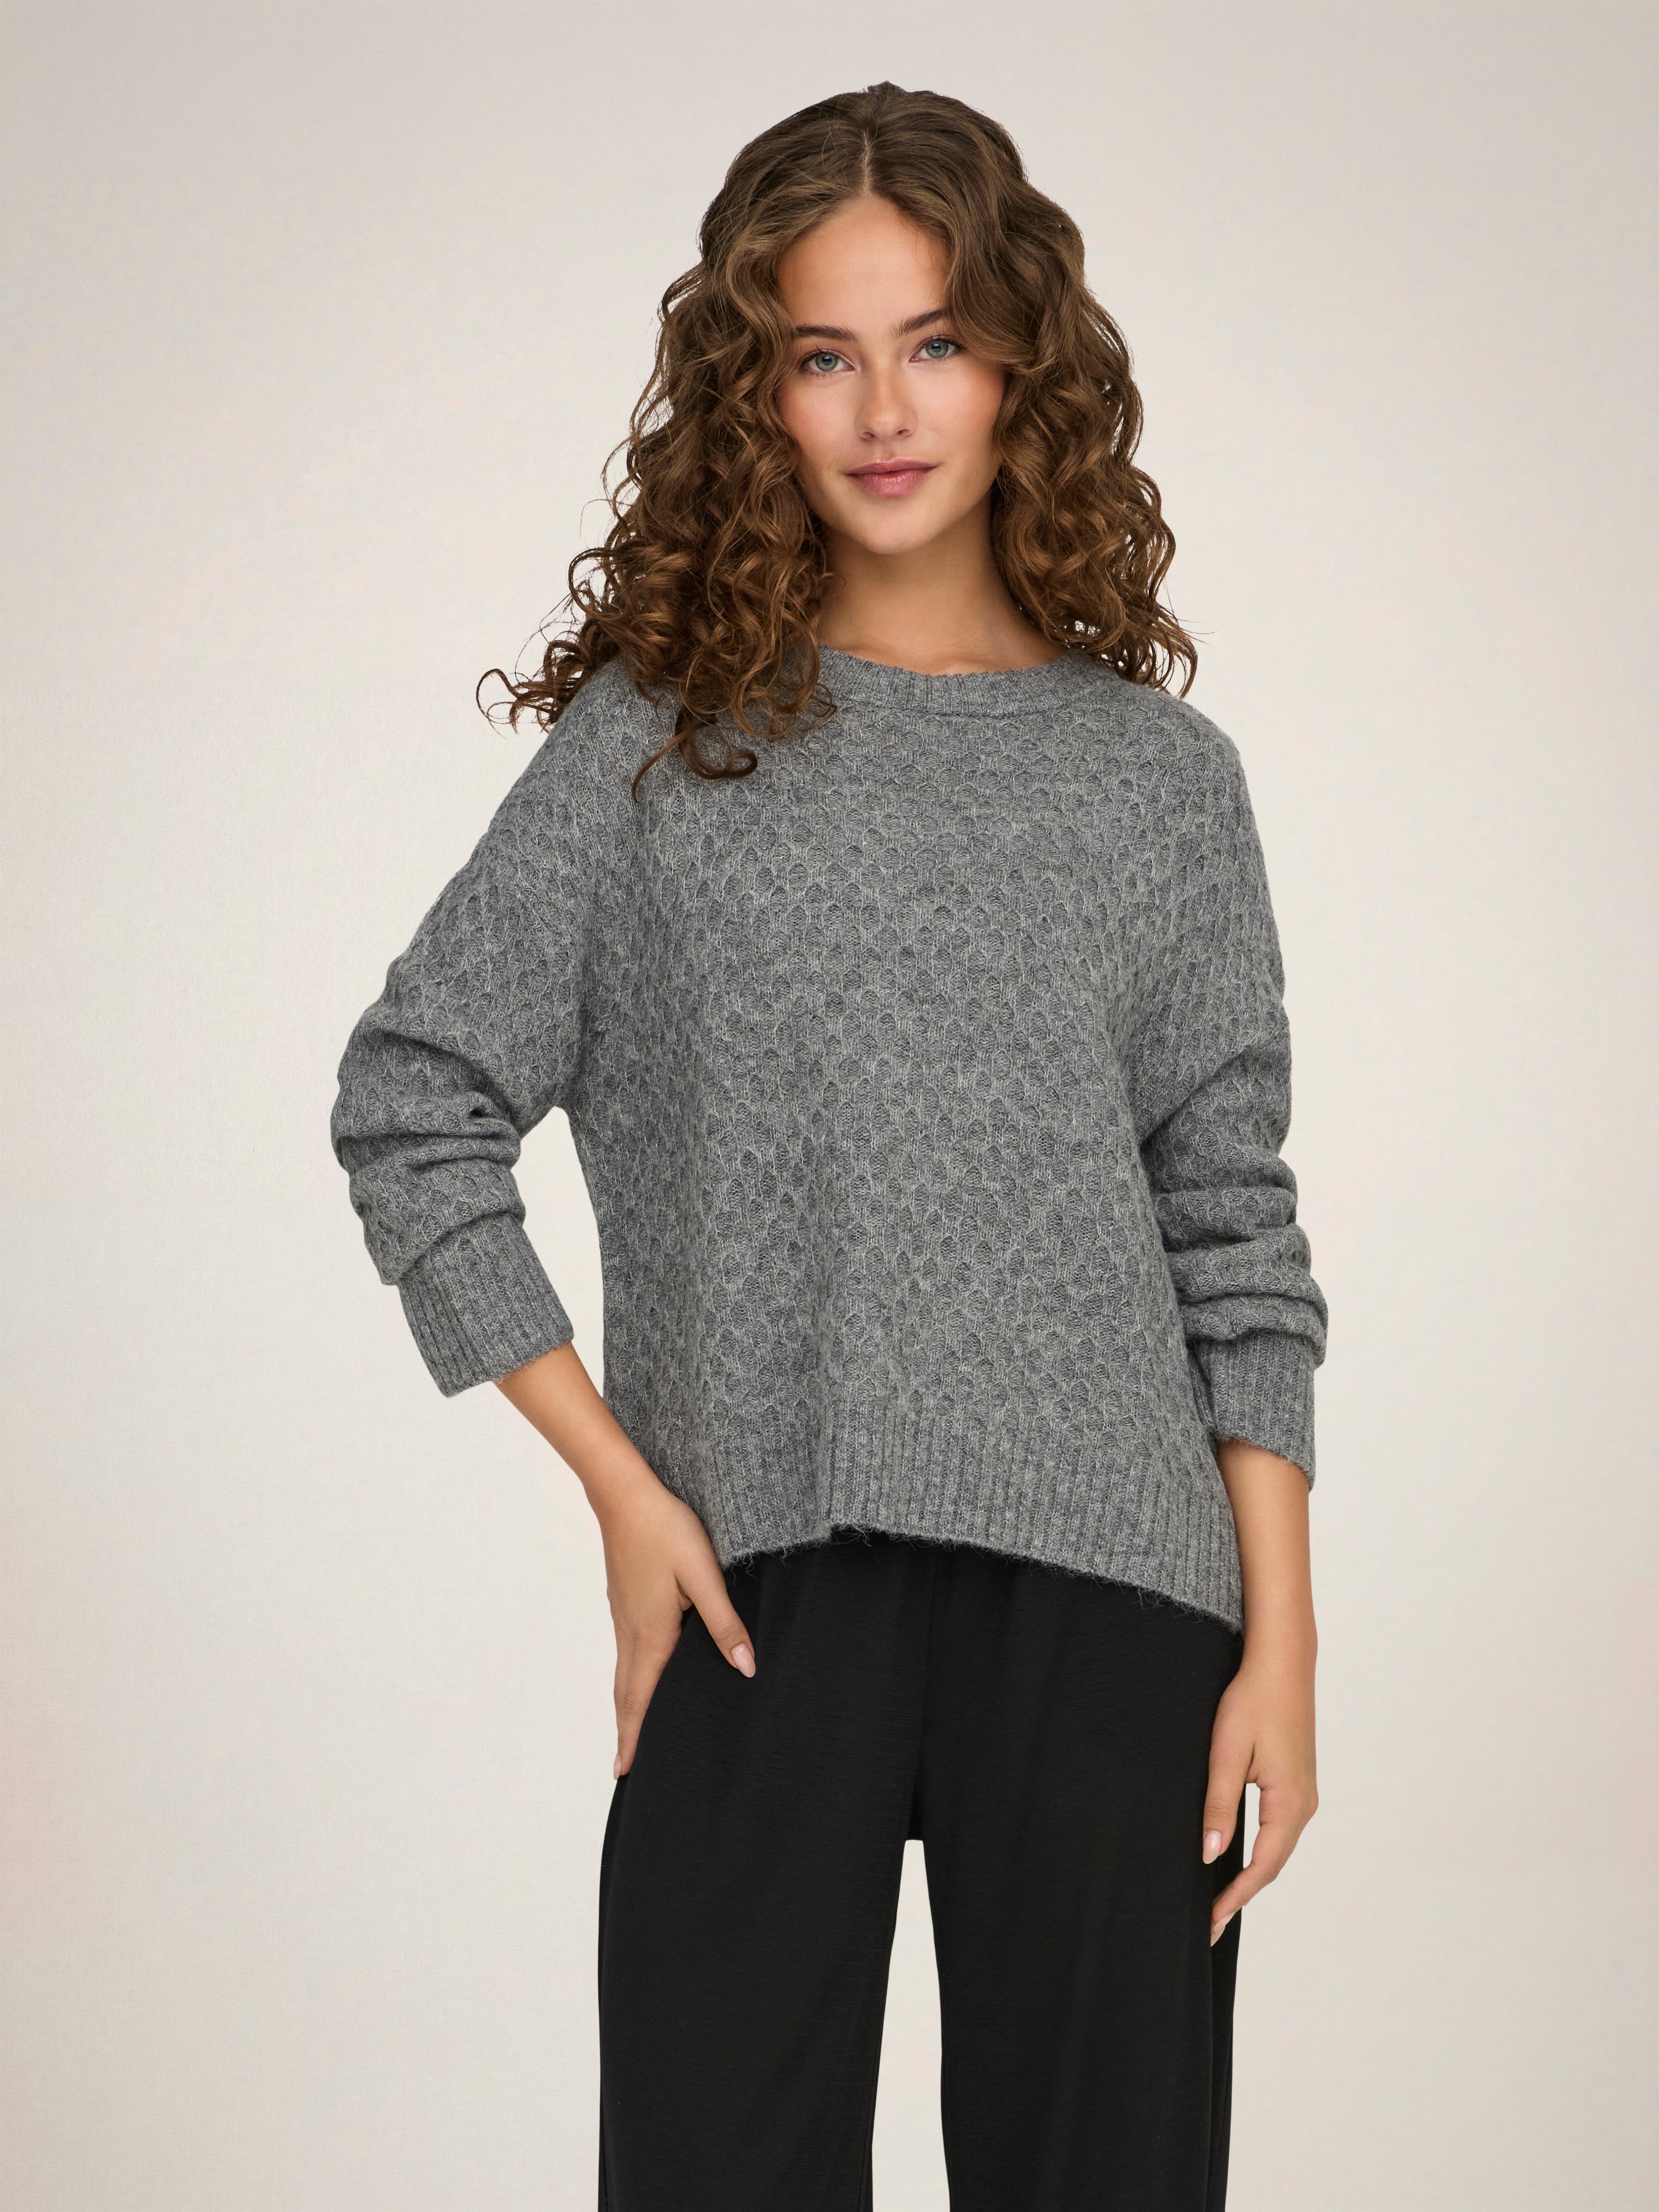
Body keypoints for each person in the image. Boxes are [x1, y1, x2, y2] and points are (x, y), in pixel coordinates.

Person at [329, 81, 1328, 2212]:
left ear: (1021, 367)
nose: (883, 409)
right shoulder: (656, 745)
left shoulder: (1156, 780)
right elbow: (415, 1096)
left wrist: (1285, 1645)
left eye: (935, 341)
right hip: (756, 1570)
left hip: (1113, 1590)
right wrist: (622, 1488)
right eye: (819, 352)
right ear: (751, 392)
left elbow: (1228, 1224)